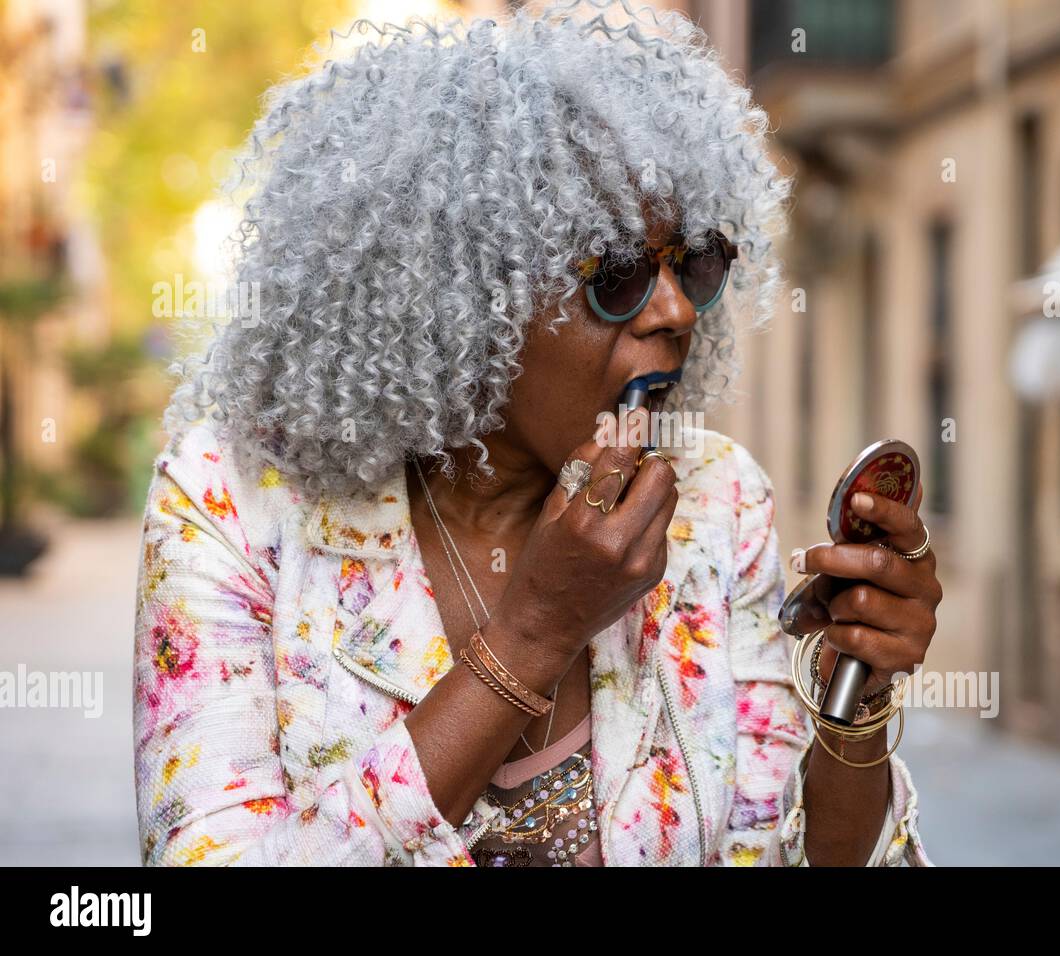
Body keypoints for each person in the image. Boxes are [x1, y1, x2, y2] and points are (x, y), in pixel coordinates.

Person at [133, 0, 940, 867]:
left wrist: (856, 697)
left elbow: (784, 855)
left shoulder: (717, 501)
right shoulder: (232, 500)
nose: (674, 310)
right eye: (619, 274)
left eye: (696, 262)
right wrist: (534, 636)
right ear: (464, 303)